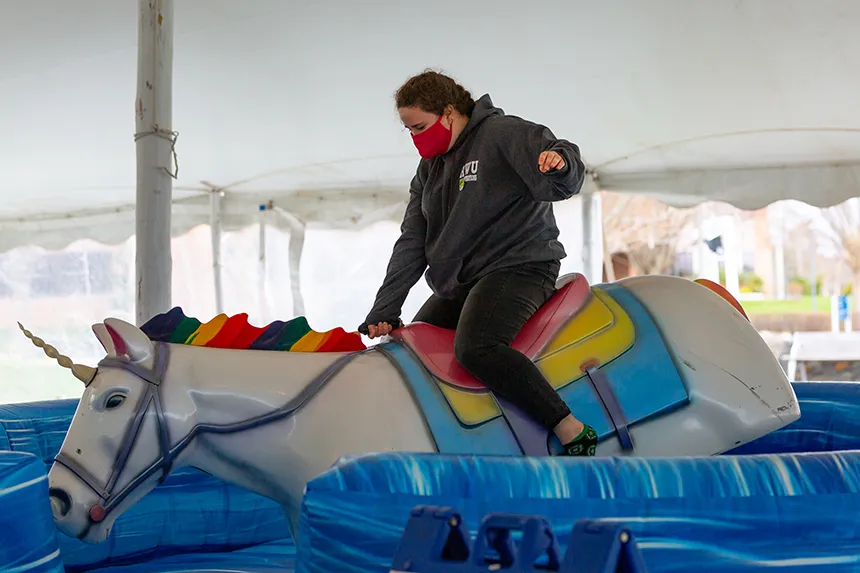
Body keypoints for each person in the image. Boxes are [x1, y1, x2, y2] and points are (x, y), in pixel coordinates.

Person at [359, 70, 597, 457]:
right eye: (408, 130)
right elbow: (412, 241)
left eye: (420, 126)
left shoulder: (502, 134)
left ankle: (570, 428)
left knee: (477, 348)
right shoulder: (428, 170)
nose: (416, 138)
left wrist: (562, 163)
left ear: (449, 113)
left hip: (520, 266)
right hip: (464, 281)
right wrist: (385, 308)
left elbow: (561, 168)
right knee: (412, 343)